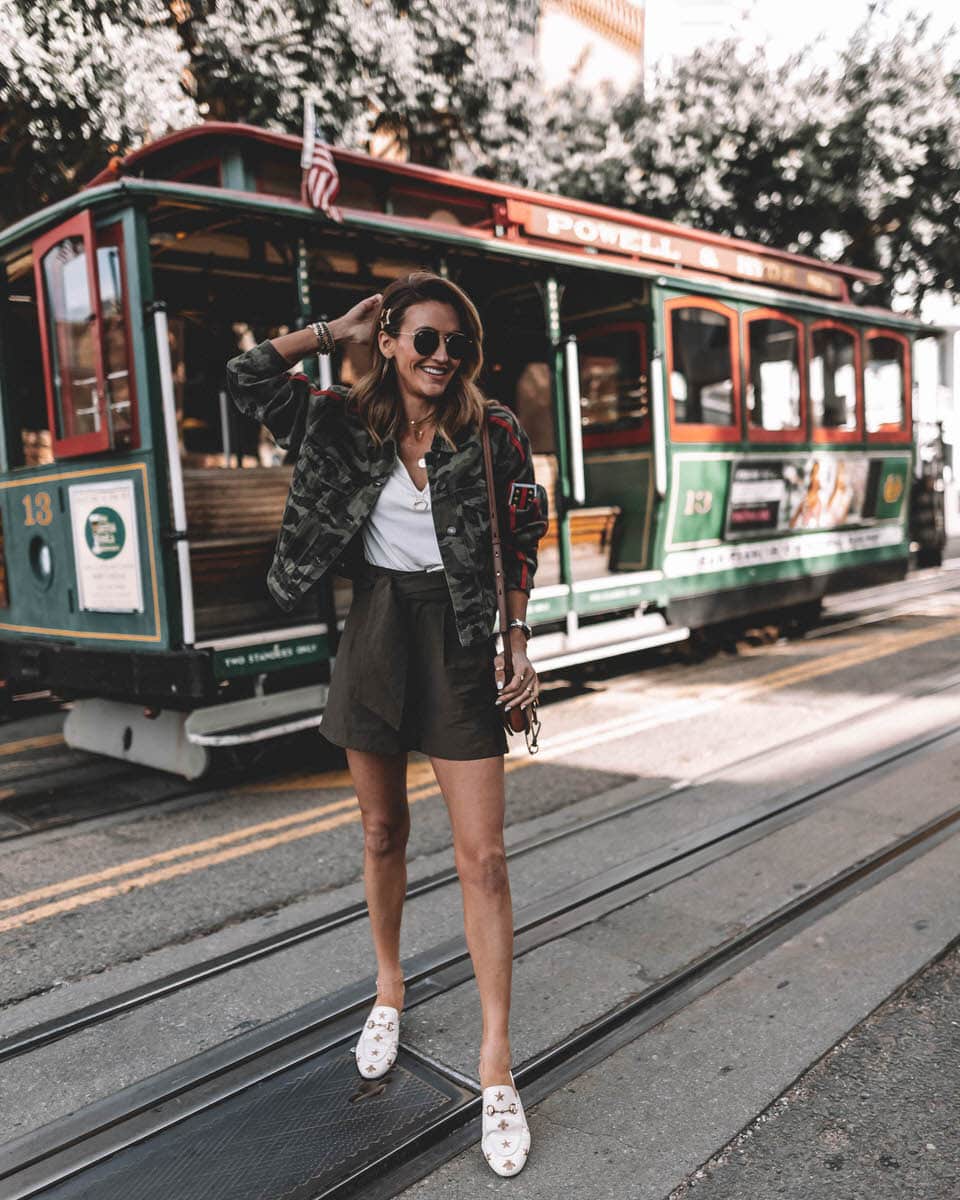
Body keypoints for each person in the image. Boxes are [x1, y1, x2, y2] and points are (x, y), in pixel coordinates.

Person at [226, 272, 549, 1178]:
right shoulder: (340, 416)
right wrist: (332, 331)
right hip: (372, 626)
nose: (443, 357)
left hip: (456, 635)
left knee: (482, 856)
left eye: (457, 344)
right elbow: (246, 379)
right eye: (425, 340)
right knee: (381, 830)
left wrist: (515, 634)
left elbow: (525, 527)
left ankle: (495, 1069)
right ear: (393, 340)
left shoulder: (492, 432)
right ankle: (389, 989)